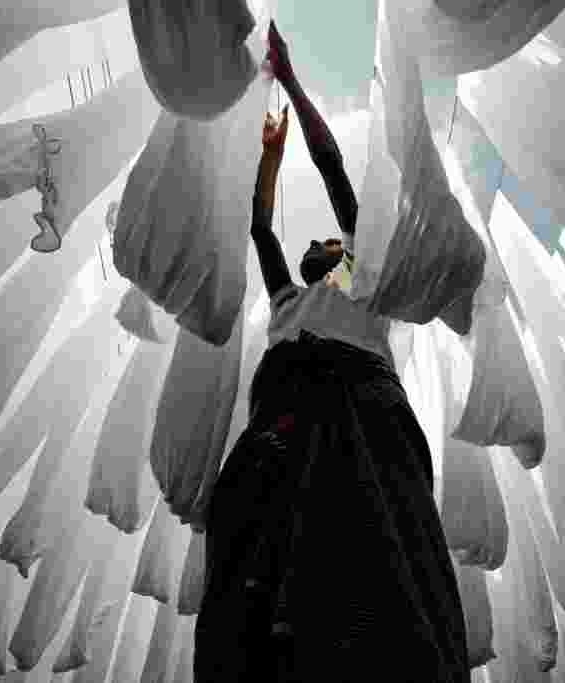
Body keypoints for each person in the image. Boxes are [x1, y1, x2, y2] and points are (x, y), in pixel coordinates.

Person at [193, 22, 470, 683]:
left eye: (332, 244)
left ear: (347, 257)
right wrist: (267, 152)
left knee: (377, 549)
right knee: (255, 546)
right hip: (286, 406)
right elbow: (260, 227)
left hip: (360, 402)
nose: (318, 244)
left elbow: (335, 170)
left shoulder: (371, 285)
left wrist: (290, 80)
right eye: (318, 244)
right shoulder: (286, 302)